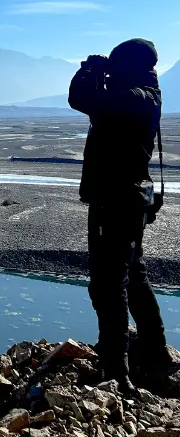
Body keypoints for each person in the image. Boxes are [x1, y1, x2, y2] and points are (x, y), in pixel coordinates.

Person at [68, 38, 172, 393]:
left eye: (116, 65)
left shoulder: (136, 99)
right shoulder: (143, 96)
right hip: (128, 202)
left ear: (128, 67)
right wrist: (103, 74)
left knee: (108, 286)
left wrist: (89, 70)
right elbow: (98, 106)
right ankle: (156, 357)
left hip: (116, 204)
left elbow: (80, 98)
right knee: (136, 278)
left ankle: (115, 372)